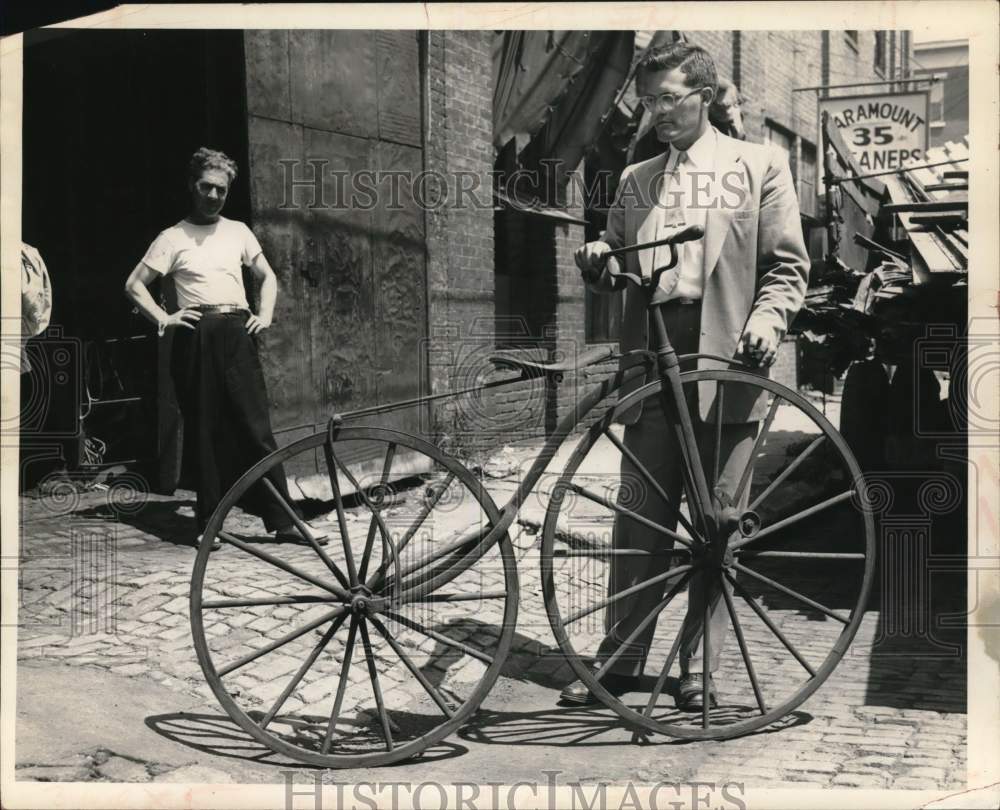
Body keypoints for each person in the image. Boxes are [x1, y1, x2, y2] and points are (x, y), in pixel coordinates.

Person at [566, 43, 809, 710]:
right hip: (652, 355)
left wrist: (768, 318)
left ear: (704, 94)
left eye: (670, 96)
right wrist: (597, 258)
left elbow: (787, 269)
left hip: (729, 355)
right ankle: (619, 659)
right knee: (638, 519)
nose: (658, 111)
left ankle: (699, 667)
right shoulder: (636, 178)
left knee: (717, 522)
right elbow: (619, 263)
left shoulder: (759, 166)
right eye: (648, 100)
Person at [125, 147, 325, 551]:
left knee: (256, 429)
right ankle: (209, 524)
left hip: (237, 331)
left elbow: (266, 276)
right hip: (196, 334)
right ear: (192, 186)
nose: (213, 196)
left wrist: (264, 314)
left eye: (221, 189)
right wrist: (164, 319)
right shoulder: (172, 237)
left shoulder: (238, 232)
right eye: (206, 187)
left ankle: (285, 523)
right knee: (205, 431)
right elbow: (133, 285)